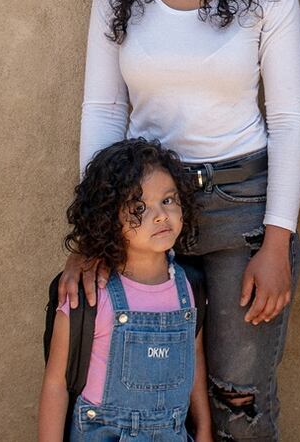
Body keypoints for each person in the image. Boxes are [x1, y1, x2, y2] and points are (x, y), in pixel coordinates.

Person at [60, 0, 300, 441]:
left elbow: (288, 121)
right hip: (143, 214)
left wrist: (277, 243)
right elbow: (103, 111)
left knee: (238, 397)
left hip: (242, 212)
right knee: (151, 393)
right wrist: (95, 232)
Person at [38, 138, 212, 442]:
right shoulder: (91, 295)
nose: (161, 215)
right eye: (139, 208)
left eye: (168, 200)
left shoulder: (189, 287)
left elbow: (194, 357)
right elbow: (56, 384)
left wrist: (204, 428)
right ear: (108, 218)